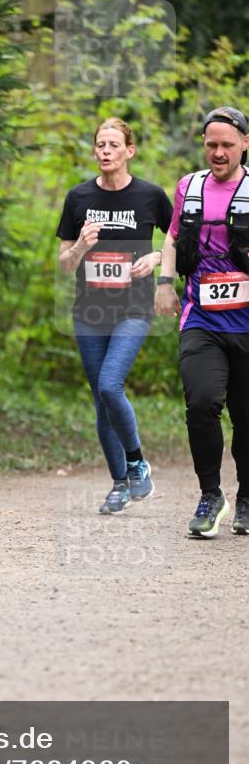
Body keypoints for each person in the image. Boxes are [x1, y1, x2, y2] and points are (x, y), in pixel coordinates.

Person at [57, 118, 173, 514]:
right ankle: (119, 483)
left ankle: (138, 461)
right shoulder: (78, 197)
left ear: (129, 151)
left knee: (110, 385)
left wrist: (157, 258)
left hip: (133, 309)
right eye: (100, 144)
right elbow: (64, 264)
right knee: (101, 401)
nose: (105, 151)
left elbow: (177, 242)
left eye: (113, 144)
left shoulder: (150, 195)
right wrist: (79, 249)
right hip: (89, 313)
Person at [155, 106, 249, 538]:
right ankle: (211, 495)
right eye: (211, 144)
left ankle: (246, 496)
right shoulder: (189, 187)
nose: (218, 152)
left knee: (246, 416)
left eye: (227, 144)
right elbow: (173, 236)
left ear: (244, 145)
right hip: (201, 319)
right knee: (202, 404)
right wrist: (164, 282)